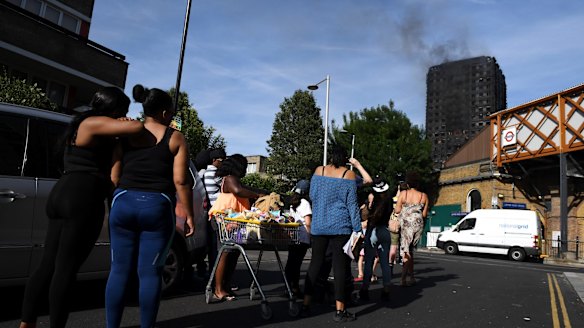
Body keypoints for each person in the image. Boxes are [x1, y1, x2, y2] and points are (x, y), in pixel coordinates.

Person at [19, 87, 143, 328]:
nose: (124, 116)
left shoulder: (82, 125)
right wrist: (126, 123)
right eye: (123, 112)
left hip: (64, 192)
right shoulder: (94, 122)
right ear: (114, 109)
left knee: (48, 264)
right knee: (65, 268)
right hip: (82, 197)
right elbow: (137, 128)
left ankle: (27, 322)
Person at [105, 85, 195, 328]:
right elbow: (180, 180)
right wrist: (188, 214)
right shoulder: (175, 137)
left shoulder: (126, 132)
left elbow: (114, 176)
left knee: (119, 270)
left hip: (123, 202)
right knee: (150, 273)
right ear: (166, 113)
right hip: (157, 205)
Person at [301, 145, 362, 323]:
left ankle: (305, 305)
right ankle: (339, 311)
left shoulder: (319, 171)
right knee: (340, 269)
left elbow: (312, 195)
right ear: (344, 159)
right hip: (341, 227)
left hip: (319, 225)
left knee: (315, 265)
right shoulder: (348, 175)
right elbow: (352, 205)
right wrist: (357, 229)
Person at [208, 154, 261, 301]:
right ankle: (218, 289)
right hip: (224, 220)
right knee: (225, 253)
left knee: (233, 254)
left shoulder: (234, 179)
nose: (245, 169)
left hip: (234, 221)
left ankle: (225, 286)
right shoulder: (230, 178)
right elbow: (238, 191)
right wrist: (257, 195)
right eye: (244, 166)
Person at [359, 179, 393, 301]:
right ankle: (386, 289)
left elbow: (365, 215)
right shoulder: (389, 200)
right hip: (384, 230)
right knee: (384, 262)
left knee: (369, 261)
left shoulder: (373, 199)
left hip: (372, 230)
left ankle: (365, 288)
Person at [394, 171, 429, 287]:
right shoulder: (424, 196)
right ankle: (412, 276)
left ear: (408, 183)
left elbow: (397, 210)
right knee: (410, 251)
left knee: (406, 252)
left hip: (406, 225)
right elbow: (424, 214)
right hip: (418, 225)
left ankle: (403, 279)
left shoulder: (404, 194)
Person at [284, 180, 312, 298]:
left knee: (291, 263)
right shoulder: (305, 202)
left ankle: (288, 287)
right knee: (297, 264)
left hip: (294, 236)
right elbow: (308, 222)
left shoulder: (293, 203)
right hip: (303, 237)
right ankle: (295, 288)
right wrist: (311, 236)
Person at [204, 148, 226, 276]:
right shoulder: (215, 174)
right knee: (220, 249)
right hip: (218, 214)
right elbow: (228, 187)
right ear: (214, 160)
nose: (222, 163)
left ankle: (213, 276)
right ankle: (218, 279)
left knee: (214, 248)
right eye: (221, 160)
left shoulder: (205, 173)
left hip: (212, 213)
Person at [389, 182, 408, 267]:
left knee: (393, 245)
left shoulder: (394, 199)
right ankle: (402, 259)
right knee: (404, 243)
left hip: (394, 222)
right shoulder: (407, 200)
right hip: (405, 223)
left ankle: (391, 261)